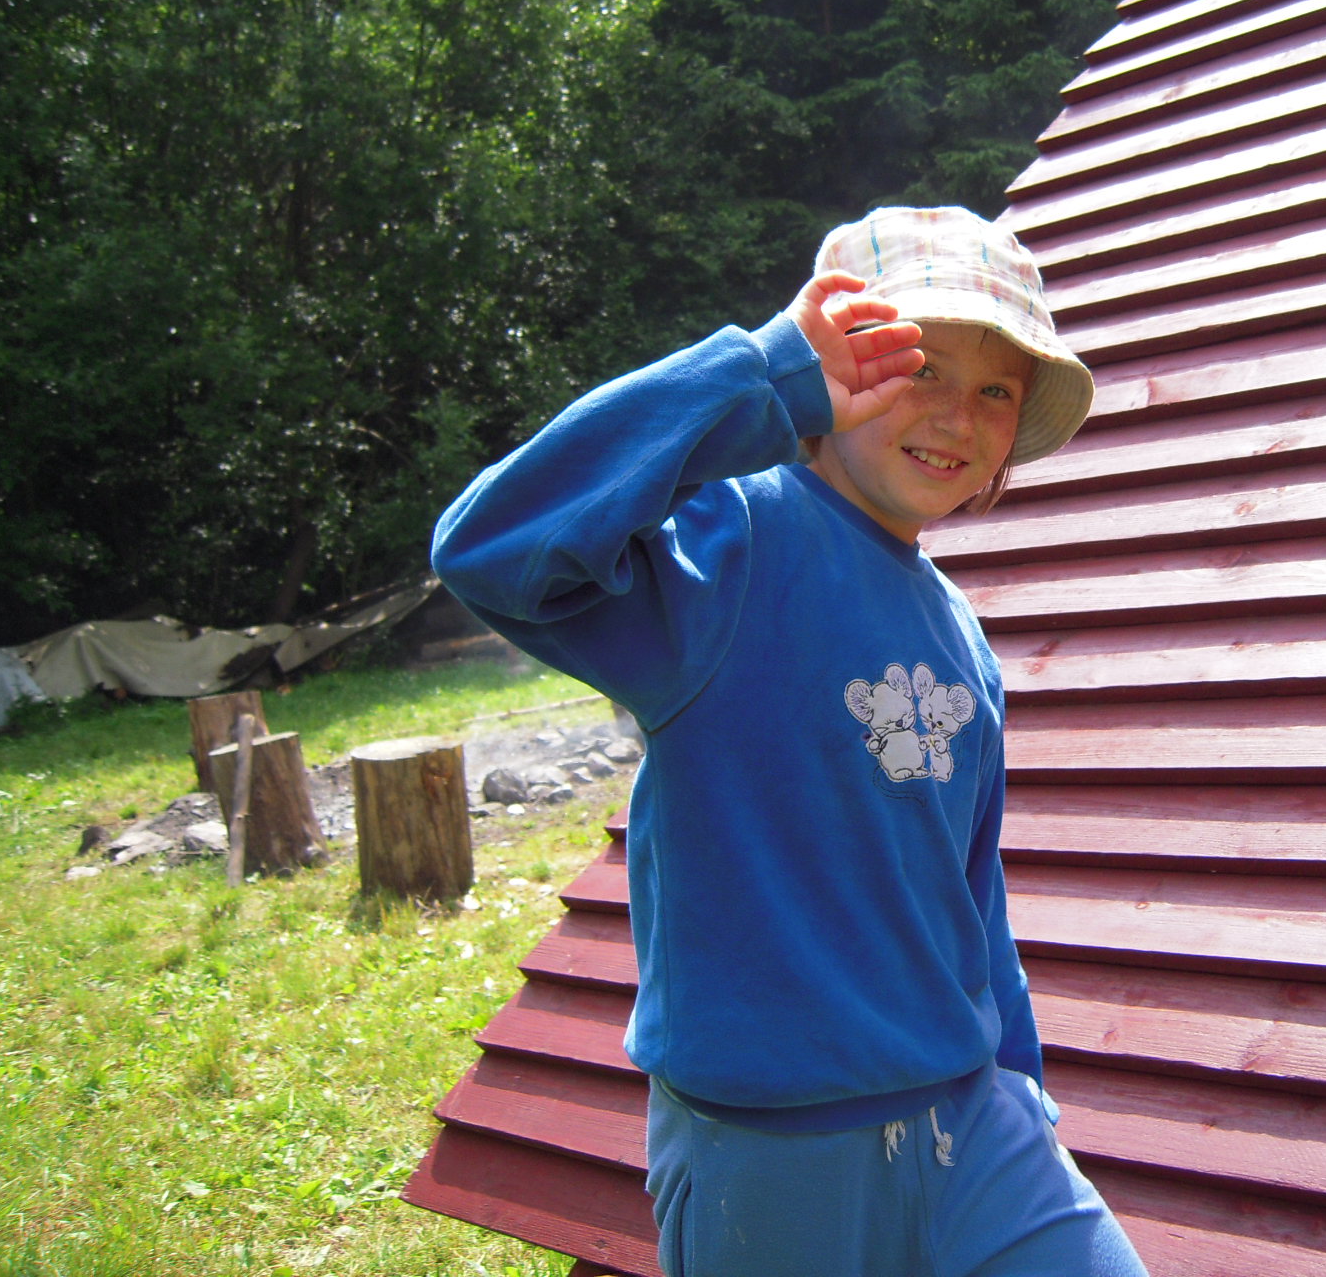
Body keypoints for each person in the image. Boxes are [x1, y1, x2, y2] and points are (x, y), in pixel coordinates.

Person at [432, 206, 1149, 1277]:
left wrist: (1021, 1086)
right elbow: (487, 547)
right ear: (831, 374)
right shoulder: (725, 548)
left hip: (976, 1134)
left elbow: (970, 899)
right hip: (770, 1155)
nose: (956, 415)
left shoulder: (959, 632)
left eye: (996, 391)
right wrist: (761, 379)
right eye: (917, 365)